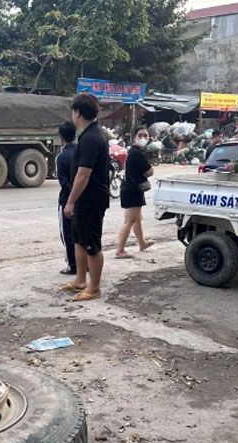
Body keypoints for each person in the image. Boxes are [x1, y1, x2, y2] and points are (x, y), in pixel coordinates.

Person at [59, 92, 110, 302]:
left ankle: (94, 287)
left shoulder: (92, 137)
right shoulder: (89, 134)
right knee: (79, 241)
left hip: (91, 200)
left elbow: (84, 173)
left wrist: (70, 201)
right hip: (83, 199)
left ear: (77, 113)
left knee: (91, 244)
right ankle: (80, 280)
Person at [115, 126, 154, 259]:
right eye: (140, 135)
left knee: (137, 219)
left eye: (145, 135)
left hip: (132, 189)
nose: (143, 138)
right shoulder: (138, 153)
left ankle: (142, 243)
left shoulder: (135, 151)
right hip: (132, 190)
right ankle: (120, 250)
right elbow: (150, 171)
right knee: (129, 221)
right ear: (134, 138)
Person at [56, 121, 78, 275]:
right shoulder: (81, 152)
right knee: (81, 233)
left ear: (61, 138)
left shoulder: (61, 157)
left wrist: (71, 199)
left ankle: (72, 265)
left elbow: (64, 183)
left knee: (67, 234)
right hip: (83, 198)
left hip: (67, 200)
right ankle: (84, 264)